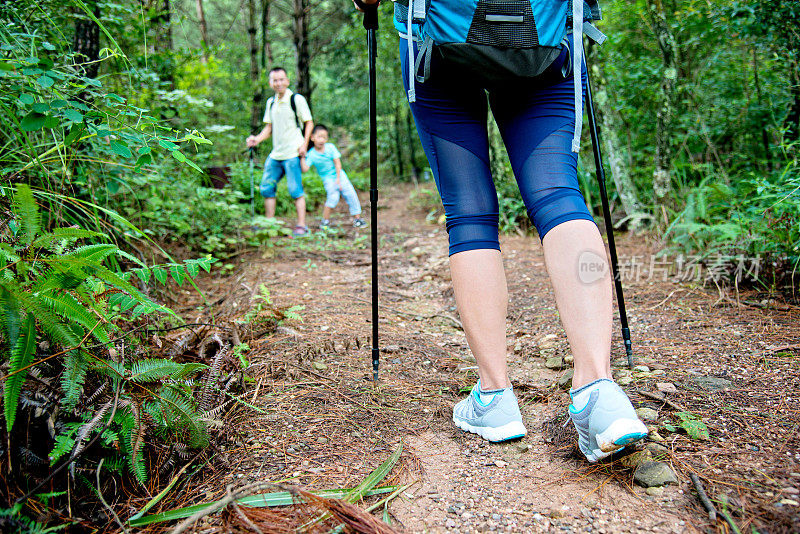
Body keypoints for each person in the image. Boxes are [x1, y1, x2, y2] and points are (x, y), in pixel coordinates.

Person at [357, 0, 648, 462]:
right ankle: (599, 389)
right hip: (546, 45)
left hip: (437, 46)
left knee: (470, 214)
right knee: (558, 196)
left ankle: (495, 397)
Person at [246, 67, 314, 237]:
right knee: (267, 188)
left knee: (295, 190)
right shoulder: (271, 102)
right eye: (275, 80)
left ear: (287, 81)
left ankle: (301, 226)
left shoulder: (296, 99)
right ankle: (270, 225)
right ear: (270, 83)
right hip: (276, 154)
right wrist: (256, 139)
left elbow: (309, 123)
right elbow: (269, 128)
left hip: (293, 152)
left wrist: (304, 145)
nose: (278, 83)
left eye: (281, 79)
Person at [300, 125, 366, 229]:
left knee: (351, 195)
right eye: (319, 137)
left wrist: (338, 179)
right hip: (328, 179)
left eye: (324, 137)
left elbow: (337, 163)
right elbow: (305, 169)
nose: (322, 140)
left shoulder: (330, 147)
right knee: (332, 198)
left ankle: (357, 219)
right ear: (312, 137)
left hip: (340, 175)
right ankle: (325, 221)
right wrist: (302, 156)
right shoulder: (311, 154)